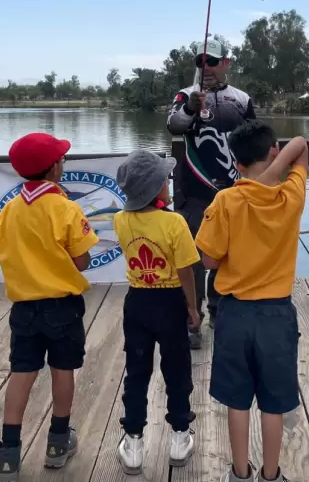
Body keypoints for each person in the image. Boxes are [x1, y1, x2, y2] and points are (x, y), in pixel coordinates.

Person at [196, 120, 309, 482]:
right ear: (274, 151)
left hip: (235, 314)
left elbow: (209, 260)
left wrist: (263, 177)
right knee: (274, 402)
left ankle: (239, 473)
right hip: (276, 314)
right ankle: (271, 475)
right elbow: (303, 145)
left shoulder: (226, 199)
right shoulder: (291, 194)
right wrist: (277, 171)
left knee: (237, 399)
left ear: (236, 162)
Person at [0, 132, 98, 481]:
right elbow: (81, 261)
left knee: (21, 374)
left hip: (23, 308)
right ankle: (57, 443)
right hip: (62, 307)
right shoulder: (66, 208)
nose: (63, 163)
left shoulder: (9, 209)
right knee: (62, 371)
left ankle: (8, 453)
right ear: (53, 168)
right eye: (62, 159)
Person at [113, 150, 200, 474]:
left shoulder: (121, 220)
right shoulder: (174, 222)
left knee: (137, 372)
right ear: (156, 189)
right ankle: (179, 434)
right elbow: (187, 271)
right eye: (165, 179)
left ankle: (133, 441)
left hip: (137, 303)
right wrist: (192, 307)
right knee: (177, 371)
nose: (169, 181)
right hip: (170, 303)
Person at [166, 39, 256, 349]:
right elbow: (174, 125)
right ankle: (193, 318)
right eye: (201, 60)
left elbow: (255, 144)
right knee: (191, 257)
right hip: (193, 192)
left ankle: (221, 311)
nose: (206, 66)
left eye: (212, 60)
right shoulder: (184, 96)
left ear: (226, 63)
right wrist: (191, 107)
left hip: (232, 193)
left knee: (228, 256)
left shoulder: (242, 100)